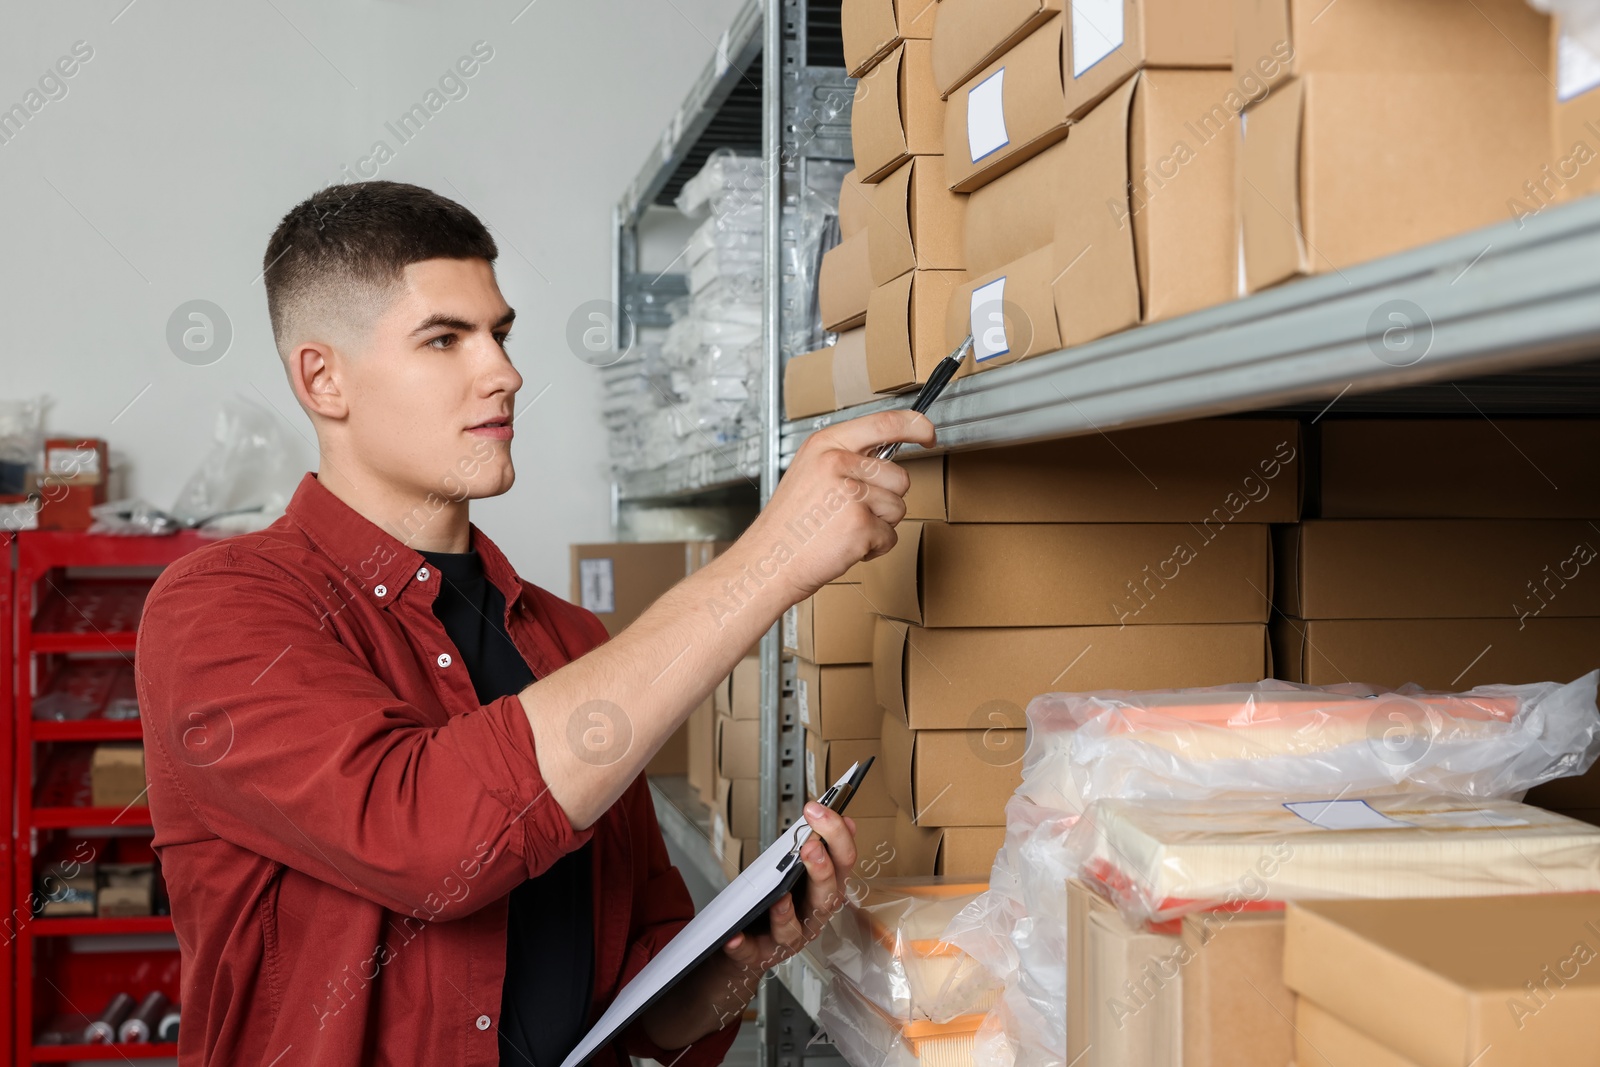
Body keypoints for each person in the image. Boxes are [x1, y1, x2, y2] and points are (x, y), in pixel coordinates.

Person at [134, 179, 934, 1067]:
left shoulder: (567, 643)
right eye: (445, 339)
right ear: (324, 378)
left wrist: (751, 957)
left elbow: (643, 1011)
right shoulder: (219, 609)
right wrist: (772, 558)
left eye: (500, 333)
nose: (504, 373)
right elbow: (434, 843)